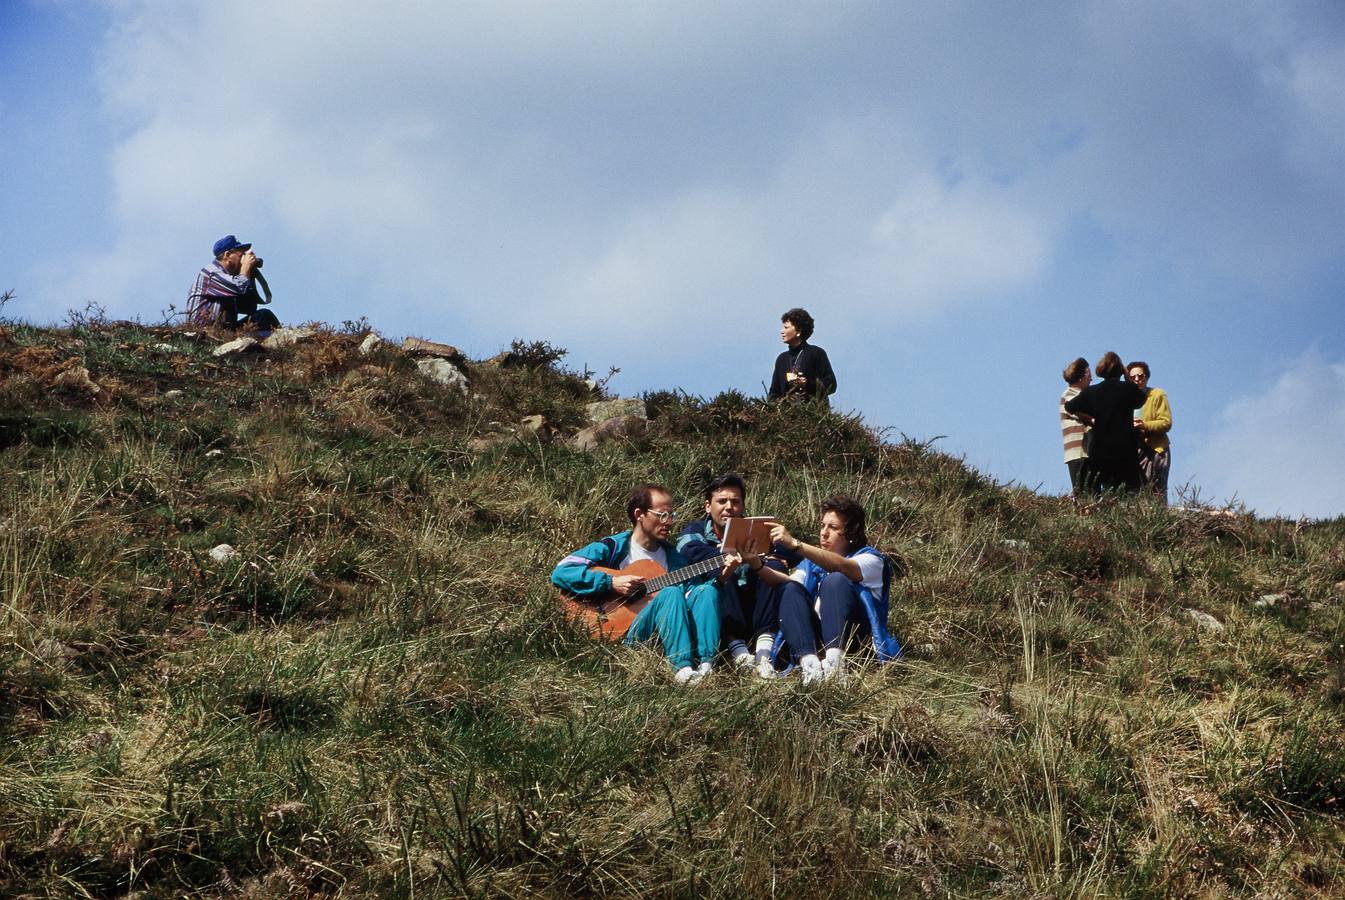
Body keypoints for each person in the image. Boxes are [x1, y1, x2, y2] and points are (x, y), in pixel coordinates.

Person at [551, 484, 731, 684]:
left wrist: (722, 579)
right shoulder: (615, 547)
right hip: (628, 634)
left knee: (706, 591)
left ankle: (706, 667)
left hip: (663, 634)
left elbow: (694, 598)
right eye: (662, 515)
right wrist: (610, 582)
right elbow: (563, 571)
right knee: (670, 593)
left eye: (672, 515)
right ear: (640, 514)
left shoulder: (675, 559)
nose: (669, 522)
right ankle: (682, 669)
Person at [750, 496, 901, 685]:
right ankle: (809, 665)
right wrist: (756, 565)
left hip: (857, 644)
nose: (824, 533)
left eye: (833, 528)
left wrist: (795, 544)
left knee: (835, 580)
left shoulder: (871, 560)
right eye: (822, 526)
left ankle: (836, 666)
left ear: (852, 533)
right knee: (789, 589)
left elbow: (844, 567)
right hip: (819, 639)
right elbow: (789, 585)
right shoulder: (811, 564)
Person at [676, 473, 797, 679]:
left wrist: (772, 556)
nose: (729, 507)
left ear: (742, 506)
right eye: (721, 501)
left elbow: (791, 553)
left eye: (735, 501)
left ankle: (764, 653)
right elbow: (687, 550)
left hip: (756, 603)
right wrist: (727, 554)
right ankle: (738, 651)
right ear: (708, 506)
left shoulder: (756, 529)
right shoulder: (696, 530)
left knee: (773, 565)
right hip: (724, 607)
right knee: (723, 568)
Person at [1064, 351, 1145, 496]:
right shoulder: (1129, 389)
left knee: (1106, 493)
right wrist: (1128, 379)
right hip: (1125, 448)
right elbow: (1141, 400)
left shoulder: (1092, 392)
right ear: (1120, 370)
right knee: (1131, 492)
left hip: (1100, 450)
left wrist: (1089, 417)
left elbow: (1070, 407)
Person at [185, 234, 281, 330]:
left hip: (225, 330)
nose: (242, 259)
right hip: (204, 330)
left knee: (264, 316)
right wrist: (246, 267)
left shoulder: (230, 278)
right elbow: (239, 287)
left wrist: (251, 273)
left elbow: (249, 308)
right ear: (227, 255)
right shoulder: (211, 272)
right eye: (241, 255)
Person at [767, 307, 837, 404]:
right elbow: (774, 392)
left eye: (786, 328)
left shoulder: (816, 353)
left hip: (813, 413)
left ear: (798, 331)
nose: (782, 331)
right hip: (786, 416)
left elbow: (831, 385)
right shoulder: (782, 359)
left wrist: (807, 383)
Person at [1128, 361, 1173, 505]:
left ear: (1146, 377)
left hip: (1156, 450)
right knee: (1138, 494)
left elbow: (1166, 422)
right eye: (1133, 377)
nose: (1137, 380)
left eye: (1140, 376)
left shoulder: (1157, 395)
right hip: (1136, 452)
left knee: (1157, 493)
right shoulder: (1126, 399)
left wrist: (1145, 426)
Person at [1060, 357, 1094, 497]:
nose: (1091, 379)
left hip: (1083, 451)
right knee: (1083, 492)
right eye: (1088, 374)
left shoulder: (1076, 395)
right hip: (1079, 451)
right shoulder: (1070, 396)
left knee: (1088, 491)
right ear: (1081, 377)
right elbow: (1088, 416)